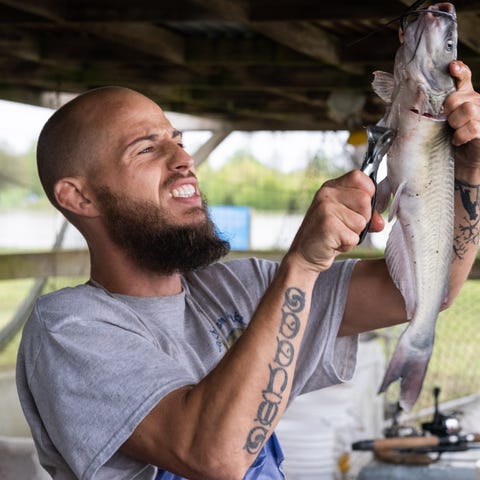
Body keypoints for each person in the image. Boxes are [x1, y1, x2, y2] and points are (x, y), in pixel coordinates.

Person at [15, 59, 480, 480]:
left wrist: (470, 172)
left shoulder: (237, 288)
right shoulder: (70, 328)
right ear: (80, 197)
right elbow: (213, 456)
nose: (184, 161)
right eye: (146, 150)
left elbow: (415, 293)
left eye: (178, 140)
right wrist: (302, 265)